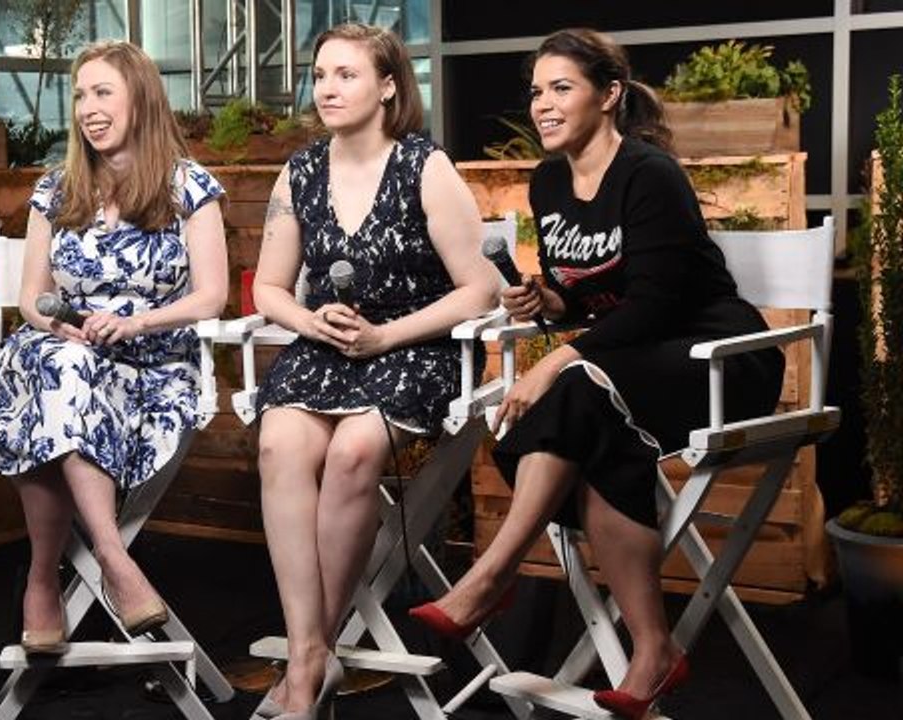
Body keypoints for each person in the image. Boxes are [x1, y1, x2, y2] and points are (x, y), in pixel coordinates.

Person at [408, 28, 786, 719]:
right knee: (597, 426)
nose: (543, 105)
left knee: (576, 390)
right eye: (536, 91)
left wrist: (557, 357)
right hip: (631, 365)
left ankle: (492, 576)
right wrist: (549, 302)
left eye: (562, 88)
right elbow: (587, 293)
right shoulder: (549, 180)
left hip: (719, 356)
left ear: (609, 95)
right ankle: (653, 650)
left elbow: (656, 304)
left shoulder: (649, 175)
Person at [250, 23, 502, 720]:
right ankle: (310, 651)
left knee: (354, 451)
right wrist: (311, 322)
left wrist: (385, 334)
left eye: (346, 75)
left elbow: (479, 289)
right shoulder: (300, 171)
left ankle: (309, 659)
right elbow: (268, 287)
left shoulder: (425, 166)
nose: (327, 89)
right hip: (328, 343)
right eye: (320, 75)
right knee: (279, 443)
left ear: (388, 86)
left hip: (416, 343)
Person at [0, 41, 228, 655]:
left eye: (102, 92)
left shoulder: (188, 186)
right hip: (62, 349)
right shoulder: (56, 190)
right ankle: (115, 559)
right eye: (80, 96)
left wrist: (137, 323)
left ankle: (43, 579)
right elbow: (31, 298)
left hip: (152, 364)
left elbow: (212, 297)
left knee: (51, 402)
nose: (88, 108)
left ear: (140, 100)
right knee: (61, 366)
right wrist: (60, 326)